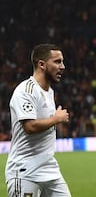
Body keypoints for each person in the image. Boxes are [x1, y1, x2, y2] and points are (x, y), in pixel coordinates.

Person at [5, 44, 72, 196]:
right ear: (41, 64)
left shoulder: (49, 91)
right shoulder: (26, 90)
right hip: (24, 170)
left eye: (62, 62)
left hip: (49, 168)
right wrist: (56, 118)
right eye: (57, 62)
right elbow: (30, 126)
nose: (62, 66)